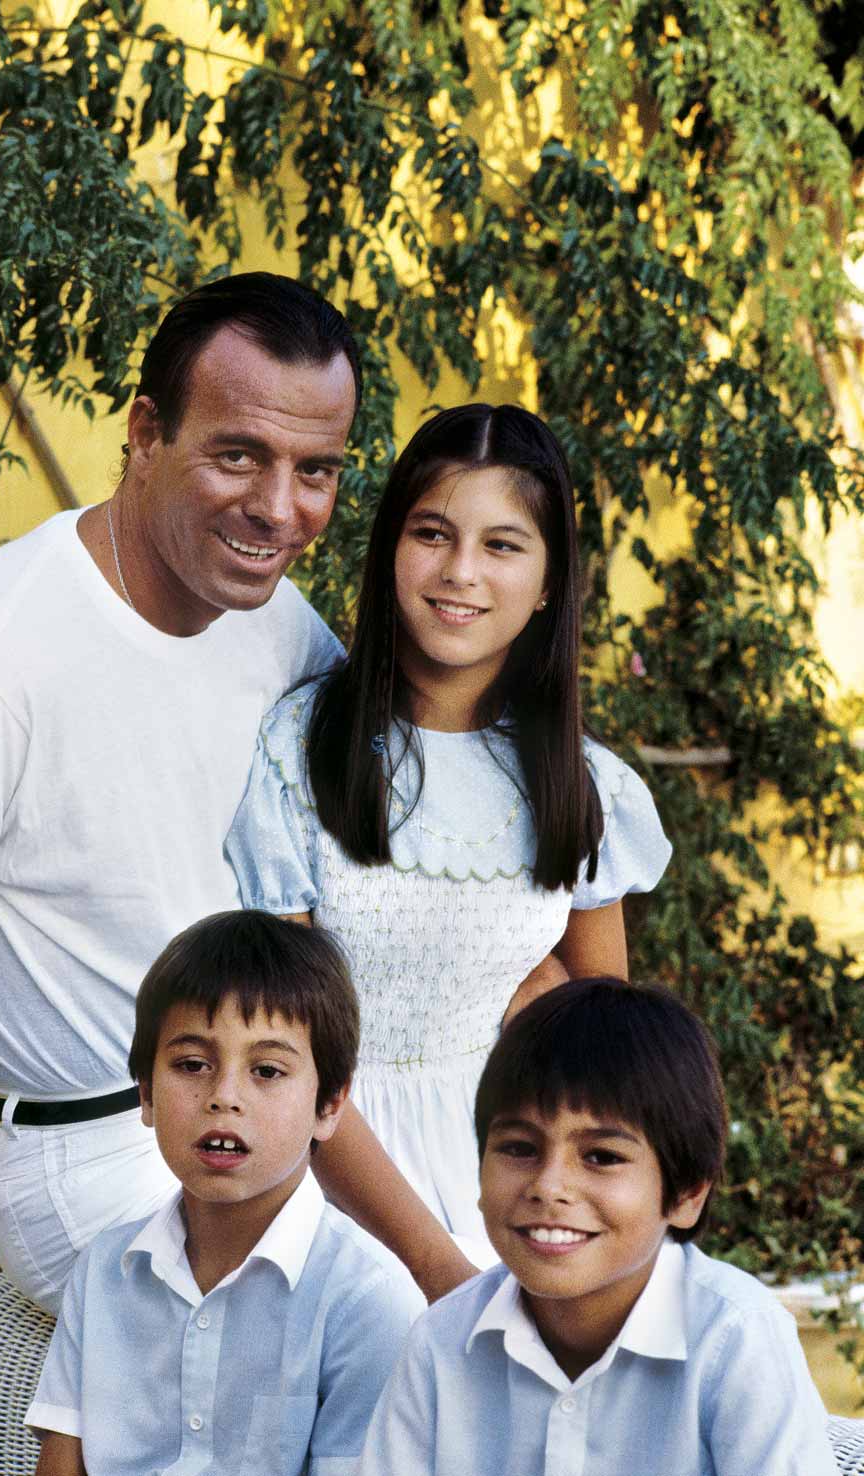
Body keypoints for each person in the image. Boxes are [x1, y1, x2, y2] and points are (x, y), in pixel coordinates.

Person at [0, 273, 359, 1313]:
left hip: (270, 1121)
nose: (280, 510)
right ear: (146, 432)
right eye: (239, 455)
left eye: (314, 470)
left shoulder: (274, 620)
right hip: (89, 1154)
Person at [226, 403, 672, 1270]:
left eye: (503, 545)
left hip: (514, 1186)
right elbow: (290, 1062)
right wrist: (438, 1268)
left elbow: (601, 1057)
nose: (460, 572)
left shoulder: (584, 788)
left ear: (548, 581)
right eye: (432, 533)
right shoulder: (295, 755)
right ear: (392, 547)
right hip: (324, 1189)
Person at [357, 977, 838, 1476]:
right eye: (519, 1148)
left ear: (687, 1194)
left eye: (601, 1156)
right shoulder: (440, 1342)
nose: (549, 1185)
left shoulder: (737, 1339)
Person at [28, 910, 422, 1476]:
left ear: (329, 1105)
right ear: (145, 1094)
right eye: (192, 1064)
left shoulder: (368, 1301)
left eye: (266, 1070)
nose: (224, 1096)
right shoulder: (103, 1272)